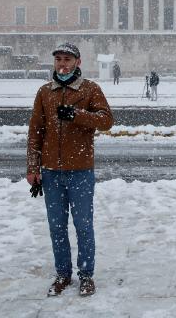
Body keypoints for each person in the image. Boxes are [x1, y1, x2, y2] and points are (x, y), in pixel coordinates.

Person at [27, 43, 113, 298]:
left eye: (67, 60)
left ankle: (86, 275)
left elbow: (107, 120)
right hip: (51, 171)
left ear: (78, 62)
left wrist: (77, 114)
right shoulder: (45, 92)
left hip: (80, 170)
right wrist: (33, 167)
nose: (62, 64)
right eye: (58, 60)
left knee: (83, 225)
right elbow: (36, 132)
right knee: (57, 226)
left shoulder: (90, 89)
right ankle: (63, 274)